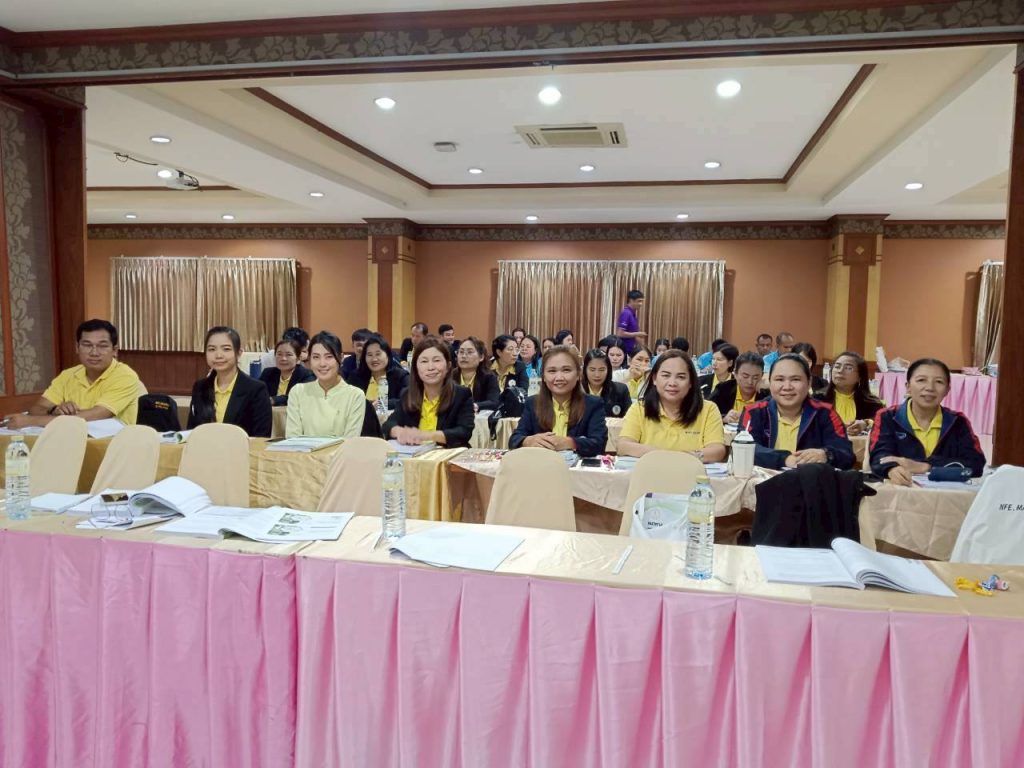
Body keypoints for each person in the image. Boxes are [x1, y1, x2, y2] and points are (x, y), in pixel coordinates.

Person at [4, 319, 142, 429]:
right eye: (87, 345)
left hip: (114, 445)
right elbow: (37, 408)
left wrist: (30, 421)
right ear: (77, 348)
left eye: (102, 346)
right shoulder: (68, 375)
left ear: (115, 351)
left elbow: (97, 415)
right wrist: (54, 409)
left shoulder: (125, 376)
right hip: (71, 440)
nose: (94, 352)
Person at [869, 358, 985, 485]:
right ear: (908, 387)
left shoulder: (958, 421)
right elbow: (879, 457)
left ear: (947, 390)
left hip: (946, 493)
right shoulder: (887, 416)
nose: (930, 388)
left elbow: (976, 464)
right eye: (921, 380)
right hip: (903, 490)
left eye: (939, 382)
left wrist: (927, 466)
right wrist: (891, 469)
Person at [741, 354, 854, 470]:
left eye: (795, 379)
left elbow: (846, 454)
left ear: (809, 383)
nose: (787, 387)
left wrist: (825, 454)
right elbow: (743, 448)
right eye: (779, 379)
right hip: (763, 480)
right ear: (769, 383)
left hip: (809, 480)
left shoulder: (825, 413)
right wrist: (785, 459)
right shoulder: (754, 412)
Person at [617, 350, 726, 462]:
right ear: (654, 379)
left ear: (691, 382)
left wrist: (684, 458)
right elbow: (623, 446)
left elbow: (717, 450)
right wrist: (660, 455)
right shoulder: (640, 408)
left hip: (690, 471)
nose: (672, 383)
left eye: (681, 377)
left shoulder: (708, 409)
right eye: (666, 375)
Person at [510, 346, 608, 457]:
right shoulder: (532, 403)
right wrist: (528, 441)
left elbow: (599, 444)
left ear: (578, 374)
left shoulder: (593, 404)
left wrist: (569, 442)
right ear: (544, 376)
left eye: (566, 370)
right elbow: (515, 439)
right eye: (552, 371)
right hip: (540, 465)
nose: (559, 377)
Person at [384, 336, 475, 448]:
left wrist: (425, 436)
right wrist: (399, 432)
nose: (430, 367)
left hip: (448, 454)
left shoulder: (461, 395)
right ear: (416, 367)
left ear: (448, 366)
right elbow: (388, 425)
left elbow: (463, 432)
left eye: (436, 360)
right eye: (424, 361)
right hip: (415, 454)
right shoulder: (408, 394)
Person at [187, 326, 272, 437]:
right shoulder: (200, 387)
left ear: (239, 353)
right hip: (205, 447)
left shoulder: (256, 389)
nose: (218, 355)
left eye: (226, 349)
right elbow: (192, 431)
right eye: (212, 349)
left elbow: (261, 436)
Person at [286, 331, 366, 438]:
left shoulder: (355, 395)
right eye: (316, 357)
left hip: (342, 450)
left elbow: (349, 441)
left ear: (341, 358)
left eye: (329, 357)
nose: (322, 364)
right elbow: (292, 439)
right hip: (302, 450)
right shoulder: (298, 392)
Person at [817, 351, 884, 436]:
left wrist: (866, 424)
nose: (840, 371)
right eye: (837, 366)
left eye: (848, 368)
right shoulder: (818, 400)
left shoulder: (871, 404)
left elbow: (883, 424)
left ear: (860, 376)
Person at [349, 333, 409, 411]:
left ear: (387, 355)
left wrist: (383, 404)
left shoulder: (401, 376)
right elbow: (348, 400)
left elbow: (408, 400)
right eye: (369, 355)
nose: (374, 359)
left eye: (378, 354)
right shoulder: (356, 376)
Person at [709, 351, 768, 422]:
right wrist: (723, 419)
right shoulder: (723, 389)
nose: (750, 382)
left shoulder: (766, 395)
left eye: (755, 377)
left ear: (762, 376)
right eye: (745, 376)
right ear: (735, 374)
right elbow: (706, 413)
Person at [259, 338, 315, 406]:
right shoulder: (268, 373)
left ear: (298, 358)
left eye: (289, 355)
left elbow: (299, 397)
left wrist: (273, 400)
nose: (283, 358)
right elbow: (258, 394)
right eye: (279, 354)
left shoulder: (307, 375)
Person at [582, 348, 632, 417]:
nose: (597, 375)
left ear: (608, 370)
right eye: (592, 370)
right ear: (585, 370)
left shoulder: (620, 390)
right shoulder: (576, 390)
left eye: (601, 370)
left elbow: (629, 419)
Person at [453, 336, 500, 411]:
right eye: (461, 352)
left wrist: (475, 406)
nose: (464, 356)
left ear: (481, 357)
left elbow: (494, 402)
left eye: (469, 352)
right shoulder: (450, 376)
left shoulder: (489, 377)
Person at [615, 289, 646, 356]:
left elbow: (632, 334)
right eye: (639, 301)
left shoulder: (632, 314)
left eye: (642, 301)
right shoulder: (626, 313)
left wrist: (643, 347)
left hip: (631, 350)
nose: (641, 304)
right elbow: (620, 333)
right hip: (624, 350)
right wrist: (638, 333)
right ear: (631, 300)